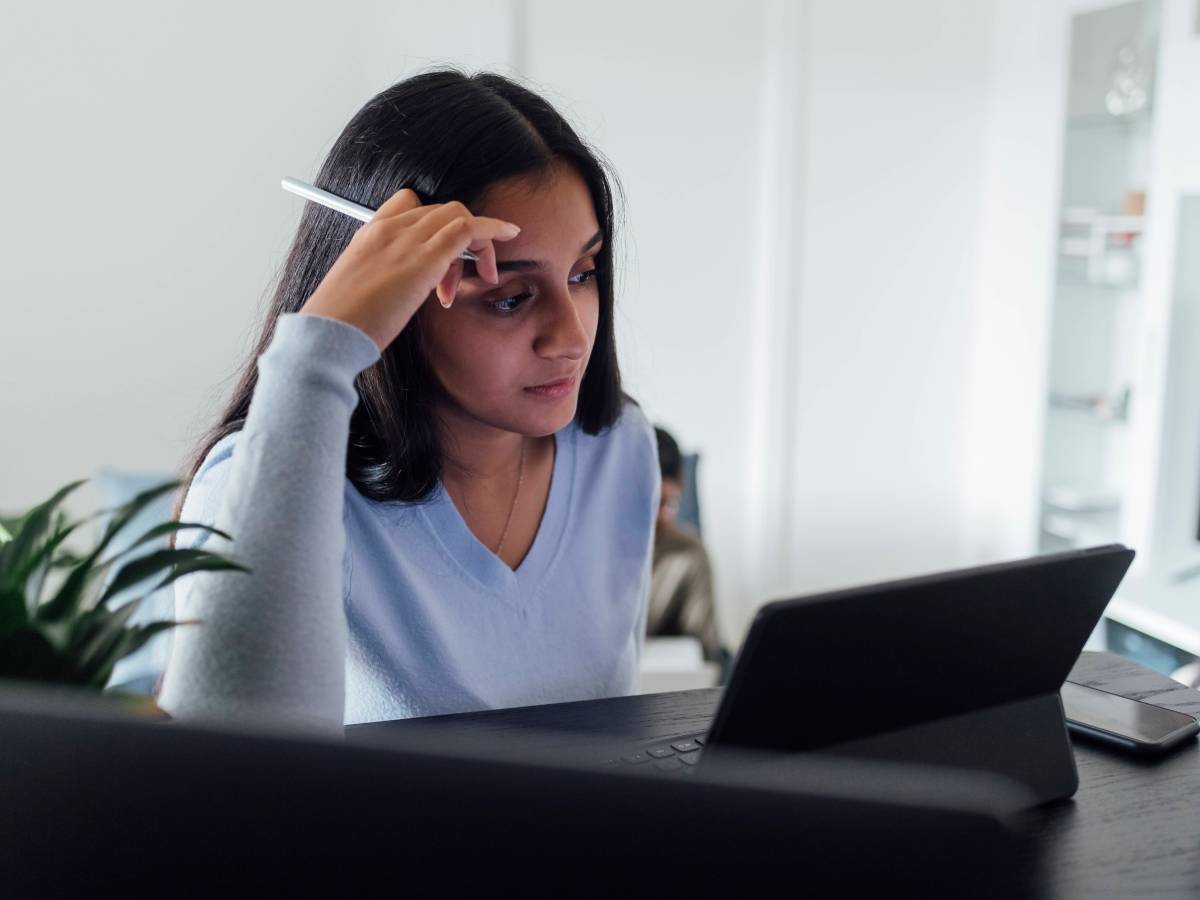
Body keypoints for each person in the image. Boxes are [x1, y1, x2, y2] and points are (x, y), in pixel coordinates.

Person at [157, 69, 661, 732]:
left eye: (583, 274)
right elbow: (228, 771)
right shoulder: (260, 482)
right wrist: (316, 352)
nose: (571, 338)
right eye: (509, 297)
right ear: (394, 299)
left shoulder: (616, 448)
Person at [647, 427, 722, 663]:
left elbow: (707, 659)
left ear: (681, 486)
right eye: (651, 503)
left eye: (668, 503)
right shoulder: (584, 552)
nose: (662, 517)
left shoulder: (690, 554)